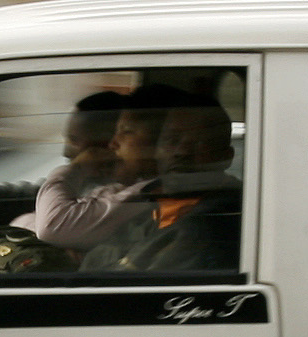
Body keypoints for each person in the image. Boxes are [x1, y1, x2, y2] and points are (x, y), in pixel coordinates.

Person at [82, 93, 243, 274]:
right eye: (172, 140)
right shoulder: (143, 204)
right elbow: (91, 264)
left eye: (199, 143)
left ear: (226, 157)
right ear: (156, 150)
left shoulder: (223, 217)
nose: (182, 151)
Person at [12, 90, 151, 245]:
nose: (66, 152)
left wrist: (77, 167)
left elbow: (52, 225)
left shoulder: (143, 196)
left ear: (105, 145)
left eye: (74, 140)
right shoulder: (103, 186)